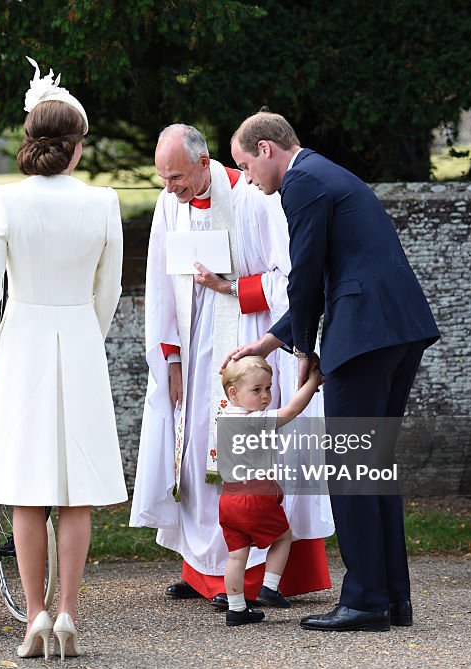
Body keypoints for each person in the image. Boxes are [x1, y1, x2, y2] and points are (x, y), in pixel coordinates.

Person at [228, 112, 440, 632]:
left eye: (245, 166)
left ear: (266, 148)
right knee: (372, 465)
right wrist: (274, 338)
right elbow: (325, 274)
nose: (249, 179)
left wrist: (302, 348)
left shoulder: (301, 183)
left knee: (350, 466)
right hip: (396, 326)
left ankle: (366, 601)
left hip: (364, 333)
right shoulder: (325, 174)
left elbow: (306, 273)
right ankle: (391, 597)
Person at [129, 123, 334, 609]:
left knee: (245, 456)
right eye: (163, 178)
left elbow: (291, 277)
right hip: (193, 345)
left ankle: (256, 577)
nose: (169, 187)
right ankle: (201, 570)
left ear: (205, 164)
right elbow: (160, 281)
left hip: (245, 340)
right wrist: (170, 358)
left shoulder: (252, 196)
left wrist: (232, 289)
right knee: (196, 449)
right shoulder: (167, 206)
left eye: (177, 176)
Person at [0, 58, 127, 660]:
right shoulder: (104, 202)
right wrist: (90, 333)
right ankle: (67, 614)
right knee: (74, 490)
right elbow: (108, 291)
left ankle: (33, 615)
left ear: (30, 141)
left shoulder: (5, 199)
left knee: (25, 489)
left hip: (24, 339)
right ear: (77, 146)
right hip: (78, 339)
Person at [216, 355, 323, 626]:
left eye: (268, 388)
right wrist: (313, 381)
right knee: (283, 537)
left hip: (228, 499)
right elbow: (291, 411)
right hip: (254, 495)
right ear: (234, 393)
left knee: (236, 555)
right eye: (257, 390)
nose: (265, 396)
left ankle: (237, 609)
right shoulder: (252, 420)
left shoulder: (224, 416)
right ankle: (270, 587)